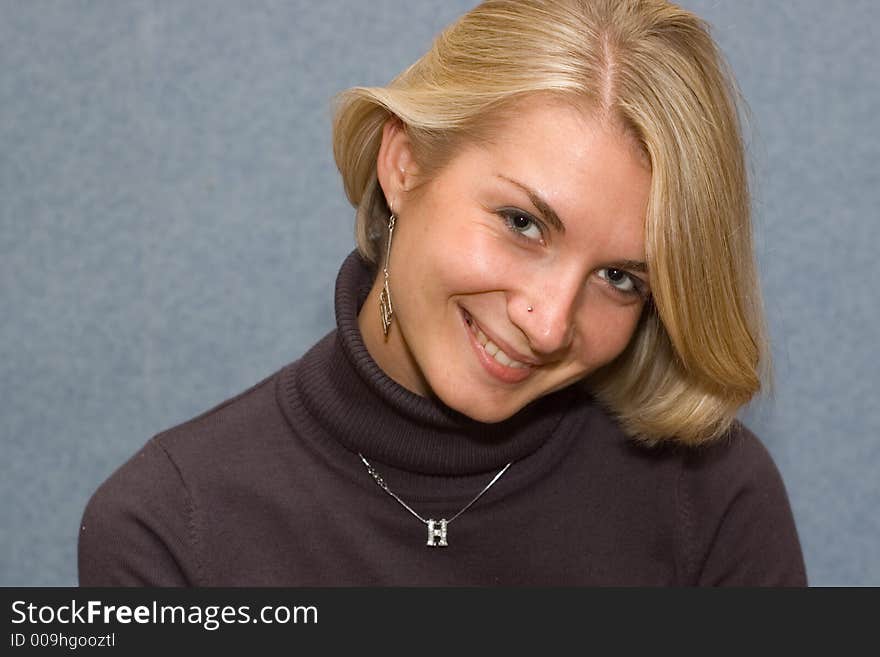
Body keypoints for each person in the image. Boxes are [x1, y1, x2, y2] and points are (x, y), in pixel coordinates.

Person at [79, 0, 806, 586]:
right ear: (402, 163)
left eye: (620, 278)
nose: (549, 324)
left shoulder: (712, 499)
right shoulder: (170, 526)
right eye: (523, 223)